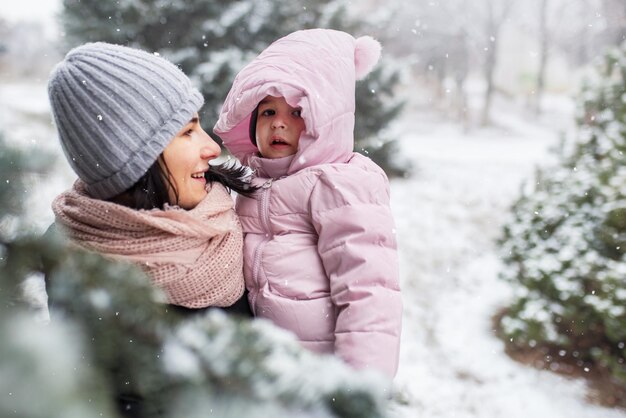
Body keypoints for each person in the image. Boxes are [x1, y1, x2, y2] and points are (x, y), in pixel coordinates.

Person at [214, 29, 402, 379]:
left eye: (298, 111)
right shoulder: (253, 184)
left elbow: (369, 293)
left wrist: (359, 387)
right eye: (268, 111)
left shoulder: (339, 185)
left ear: (327, 117)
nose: (280, 122)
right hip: (267, 370)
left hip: (321, 374)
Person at [47, 42, 254, 316]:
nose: (213, 148)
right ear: (132, 159)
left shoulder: (241, 224)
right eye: (187, 132)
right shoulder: (80, 274)